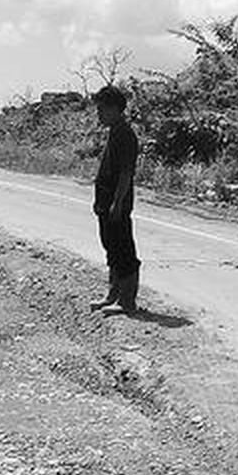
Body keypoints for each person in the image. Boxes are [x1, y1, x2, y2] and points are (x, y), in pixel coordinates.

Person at [90, 85, 141, 312]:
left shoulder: (125, 134)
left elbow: (125, 173)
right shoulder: (114, 132)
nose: (99, 114)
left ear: (115, 109)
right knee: (111, 248)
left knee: (123, 251)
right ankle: (113, 294)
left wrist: (117, 203)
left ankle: (127, 301)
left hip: (115, 204)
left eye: (102, 109)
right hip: (105, 203)